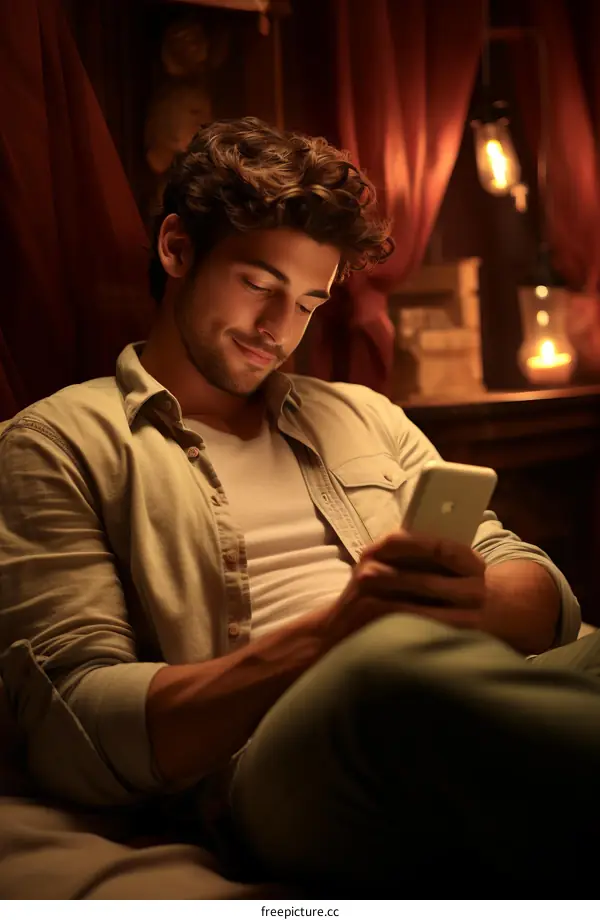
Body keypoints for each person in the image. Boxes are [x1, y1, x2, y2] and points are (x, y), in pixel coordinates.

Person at [0, 117, 598, 894]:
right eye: (259, 285)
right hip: (277, 767)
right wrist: (338, 633)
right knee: (385, 672)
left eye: (310, 303)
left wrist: (464, 597)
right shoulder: (56, 441)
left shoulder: (360, 412)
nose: (280, 331)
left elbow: (544, 594)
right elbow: (74, 725)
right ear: (177, 249)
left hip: (449, 690)